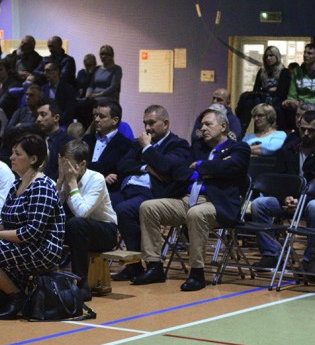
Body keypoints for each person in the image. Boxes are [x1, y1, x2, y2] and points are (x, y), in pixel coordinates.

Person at [133, 108, 250, 291]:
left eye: (208, 124)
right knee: (148, 207)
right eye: (201, 125)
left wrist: (201, 166)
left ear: (223, 126)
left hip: (217, 203)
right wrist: (212, 169)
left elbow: (230, 167)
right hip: (187, 199)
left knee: (196, 214)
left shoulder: (239, 148)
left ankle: (197, 273)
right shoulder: (197, 148)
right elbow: (180, 172)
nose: (202, 128)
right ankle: (154, 266)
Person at [0, 133, 65, 320]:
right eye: (12, 153)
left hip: (41, 249)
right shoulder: (17, 183)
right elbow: (8, 222)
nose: (11, 157)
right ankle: (4, 292)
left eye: (18, 154)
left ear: (33, 159)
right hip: (21, 243)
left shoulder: (42, 186)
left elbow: (32, 233)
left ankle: (15, 296)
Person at [251, 112, 315, 274]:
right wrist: (285, 198)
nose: (305, 133)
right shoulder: (288, 149)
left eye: (310, 130)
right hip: (289, 200)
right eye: (302, 129)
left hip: (312, 200)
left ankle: (310, 260)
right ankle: (271, 253)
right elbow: (277, 180)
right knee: (259, 204)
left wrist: (301, 201)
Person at [110, 105, 191, 281]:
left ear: (166, 123)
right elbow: (122, 165)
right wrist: (146, 167)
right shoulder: (138, 143)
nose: (147, 128)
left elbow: (164, 166)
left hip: (152, 194)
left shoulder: (178, 145)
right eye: (145, 123)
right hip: (127, 190)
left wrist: (147, 148)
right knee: (104, 204)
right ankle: (100, 262)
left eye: (152, 123)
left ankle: (136, 265)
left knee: (124, 210)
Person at [56, 140, 118, 301]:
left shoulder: (96, 179)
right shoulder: (64, 178)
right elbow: (52, 210)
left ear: (82, 164)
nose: (65, 169)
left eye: (68, 164)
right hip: (80, 231)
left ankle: (81, 283)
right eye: (62, 163)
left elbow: (82, 213)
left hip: (105, 231)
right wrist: (60, 183)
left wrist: (71, 184)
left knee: (76, 223)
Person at [85, 101, 133, 193]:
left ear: (115, 120)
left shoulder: (125, 144)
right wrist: (103, 176)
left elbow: (113, 171)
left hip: (108, 192)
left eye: (101, 116)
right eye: (96, 115)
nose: (96, 119)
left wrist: (86, 167)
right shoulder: (87, 140)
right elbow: (76, 165)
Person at [281, 43, 315, 130]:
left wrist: (301, 102)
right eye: (305, 52)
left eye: (309, 53)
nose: (305, 55)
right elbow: (292, 93)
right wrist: (290, 101)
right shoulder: (297, 71)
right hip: (298, 102)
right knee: (284, 108)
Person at [35, 99, 72, 180]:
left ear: (56, 118)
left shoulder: (68, 142)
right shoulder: (35, 140)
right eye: (37, 115)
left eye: (43, 115)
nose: (38, 119)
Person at [40, 61, 77, 125]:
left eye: (48, 71)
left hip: (63, 123)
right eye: (44, 71)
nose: (45, 73)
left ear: (56, 72)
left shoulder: (68, 89)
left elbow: (69, 110)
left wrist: (56, 120)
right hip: (46, 123)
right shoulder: (43, 89)